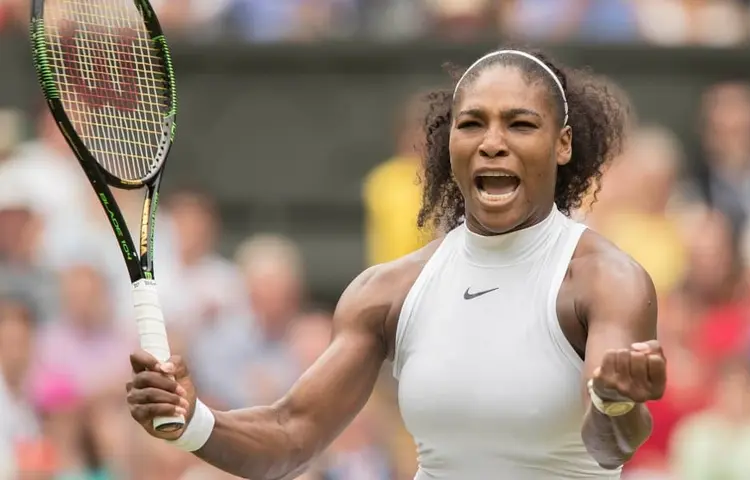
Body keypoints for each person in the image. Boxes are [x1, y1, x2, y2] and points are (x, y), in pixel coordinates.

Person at [126, 47, 667, 479]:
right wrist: (192, 420)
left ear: (562, 144)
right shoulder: (388, 291)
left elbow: (609, 446)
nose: (492, 143)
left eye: (520, 124)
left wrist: (616, 403)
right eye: (472, 124)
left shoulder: (606, 280)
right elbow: (291, 435)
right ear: (448, 143)